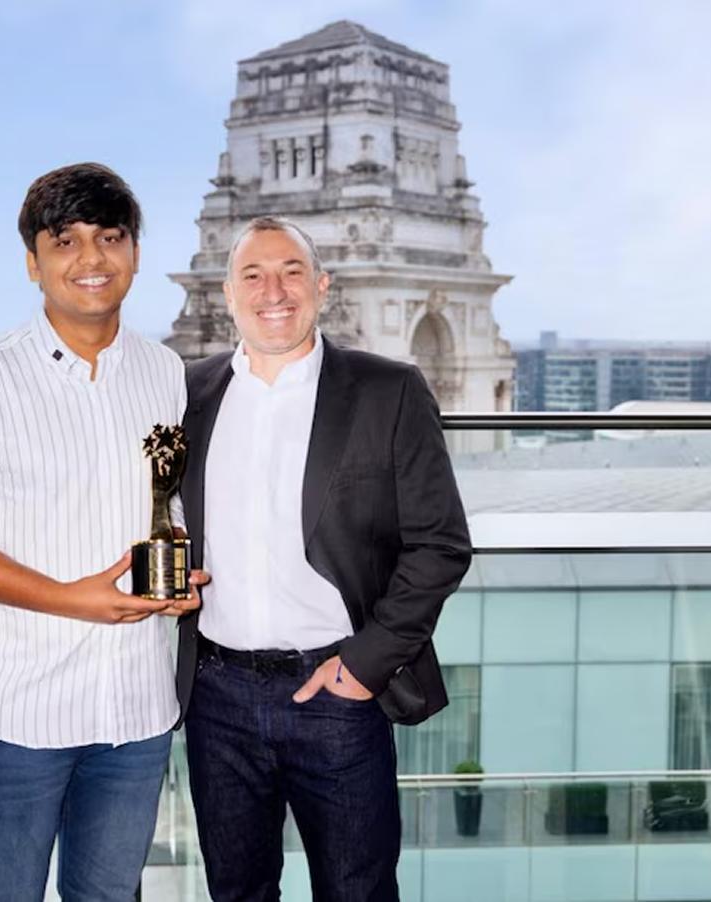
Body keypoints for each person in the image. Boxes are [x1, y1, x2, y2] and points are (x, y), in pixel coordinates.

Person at [0, 162, 203, 902]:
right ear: (33, 263)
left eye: (110, 237)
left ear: (135, 252)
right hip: (19, 709)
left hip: (137, 707)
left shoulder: (165, 371)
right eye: (65, 241)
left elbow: (163, 500)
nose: (91, 259)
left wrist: (178, 571)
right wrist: (71, 598)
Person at [176, 216, 472, 901]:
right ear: (228, 293)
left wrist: (364, 667)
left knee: (357, 893)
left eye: (291, 273)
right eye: (253, 275)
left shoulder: (388, 391)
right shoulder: (188, 394)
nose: (273, 291)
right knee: (236, 893)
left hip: (336, 694)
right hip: (217, 699)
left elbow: (440, 544)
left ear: (322, 286)